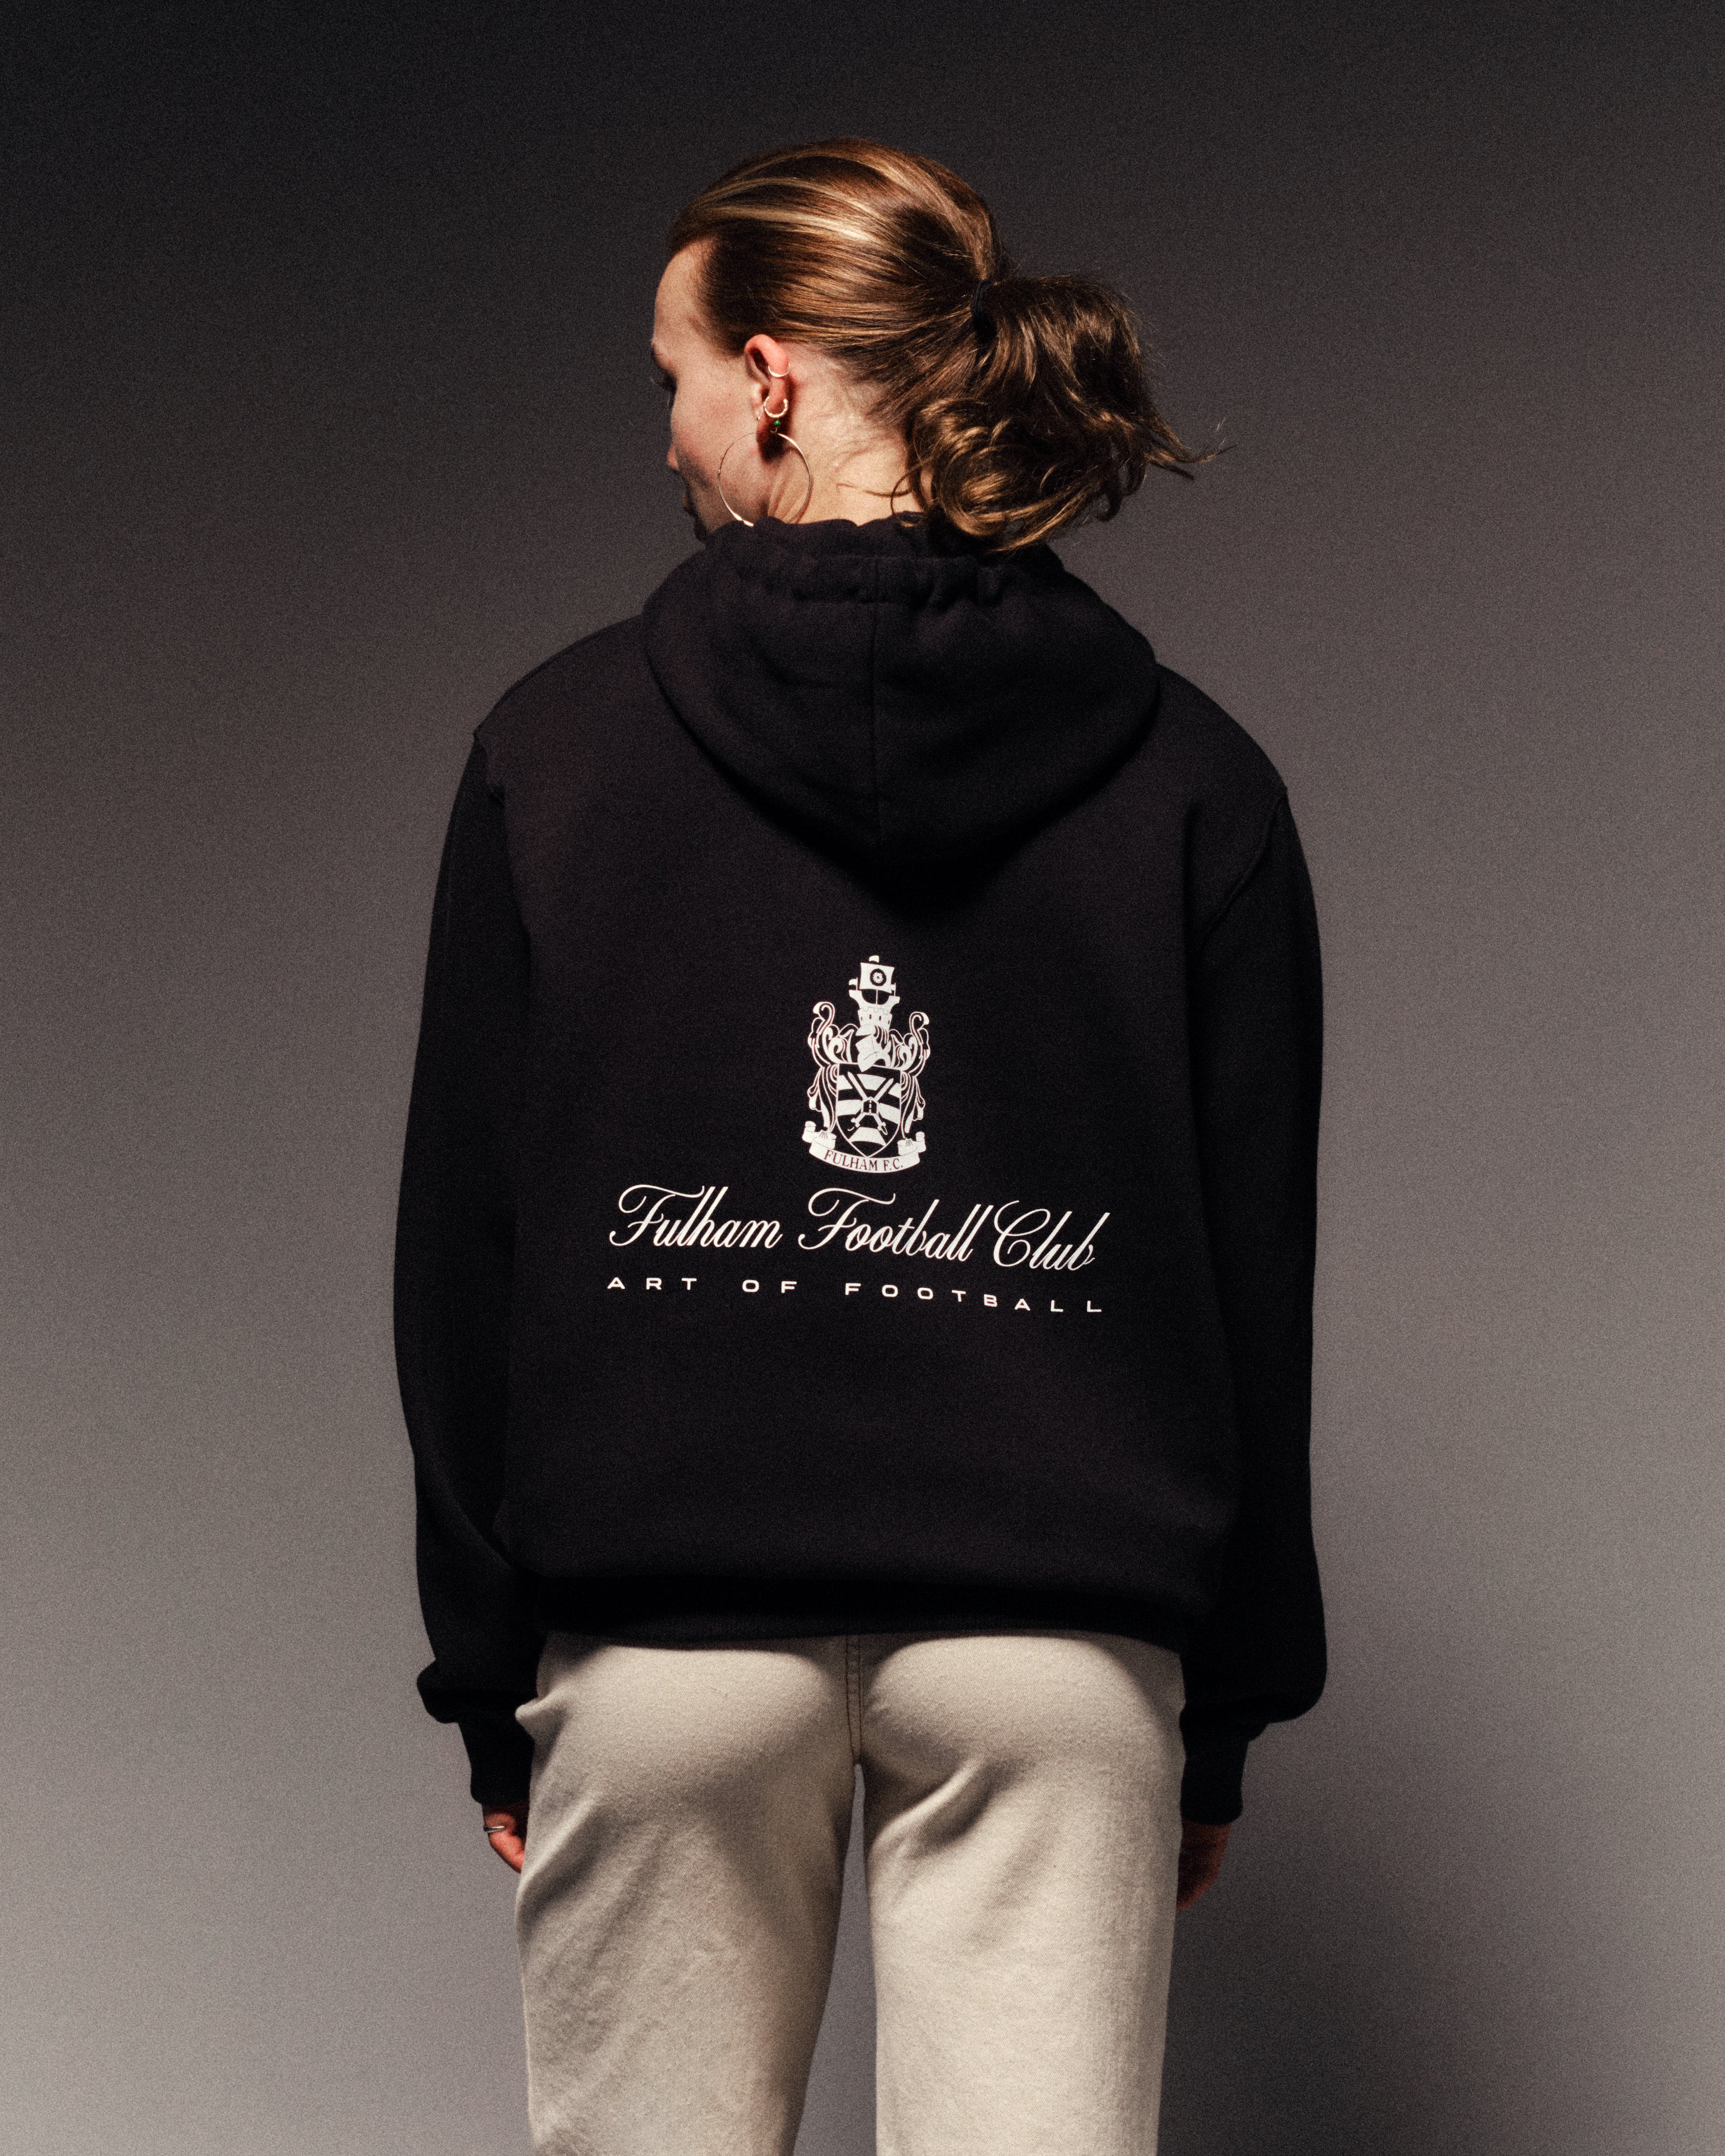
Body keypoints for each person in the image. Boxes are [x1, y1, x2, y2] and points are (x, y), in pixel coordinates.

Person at [394, 137, 1325, 2156]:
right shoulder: (1199, 782)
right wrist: (1223, 1711)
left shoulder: (552, 751)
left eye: (671, 379)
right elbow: (1254, 1284)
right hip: (1056, 1651)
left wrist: (490, 1677)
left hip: (664, 1642)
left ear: (771, 378)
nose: (664, 434)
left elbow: (465, 1257)